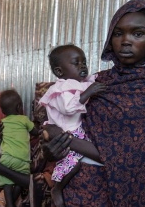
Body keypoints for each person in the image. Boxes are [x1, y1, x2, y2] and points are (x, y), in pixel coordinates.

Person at [0, 0, 145, 206]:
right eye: (118, 33)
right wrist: (51, 148)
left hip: (133, 194)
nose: (125, 41)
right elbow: (63, 126)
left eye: (138, 34)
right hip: (80, 192)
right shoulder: (98, 82)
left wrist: (66, 139)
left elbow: (140, 155)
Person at [38, 44, 106, 206]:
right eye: (76, 63)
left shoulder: (77, 83)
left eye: (84, 62)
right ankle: (57, 188)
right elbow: (68, 108)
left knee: (78, 162)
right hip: (65, 132)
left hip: (75, 131)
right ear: (59, 71)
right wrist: (89, 93)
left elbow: (91, 80)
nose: (82, 66)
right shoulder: (61, 88)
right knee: (73, 164)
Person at [0, 89, 39, 207]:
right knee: (20, 181)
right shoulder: (24, 119)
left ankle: (9, 204)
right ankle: (13, 201)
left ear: (3, 111)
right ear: (19, 106)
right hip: (22, 159)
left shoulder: (2, 122)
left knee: (7, 183)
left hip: (6, 158)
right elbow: (35, 132)